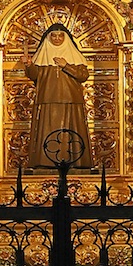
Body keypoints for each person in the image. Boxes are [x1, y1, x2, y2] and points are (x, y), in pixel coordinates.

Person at [22, 25, 92, 169]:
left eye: (60, 36)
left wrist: (66, 66)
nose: (57, 39)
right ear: (49, 38)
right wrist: (29, 65)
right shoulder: (43, 54)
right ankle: (45, 163)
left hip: (71, 101)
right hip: (47, 100)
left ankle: (75, 163)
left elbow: (83, 75)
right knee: (47, 131)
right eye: (54, 35)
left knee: (72, 132)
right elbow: (34, 75)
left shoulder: (74, 55)